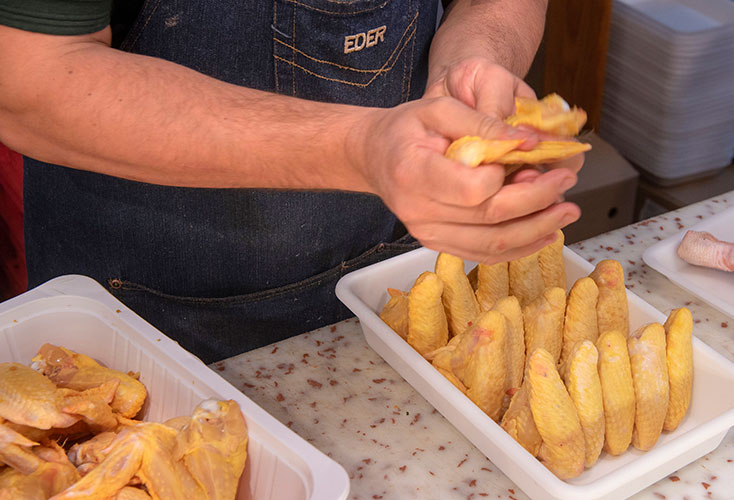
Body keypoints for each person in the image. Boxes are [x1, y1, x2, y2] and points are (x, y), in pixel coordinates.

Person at [0, 0, 584, 363]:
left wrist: (474, 71)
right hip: (154, 311)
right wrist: (359, 149)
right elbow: (32, 79)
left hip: (394, 276)